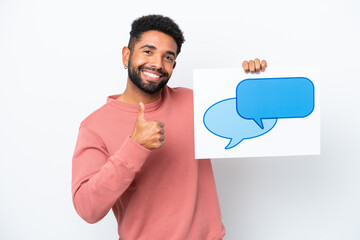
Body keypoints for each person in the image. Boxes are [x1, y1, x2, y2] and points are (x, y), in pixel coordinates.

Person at [71, 14, 266, 240]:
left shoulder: (198, 103)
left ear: (174, 65)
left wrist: (255, 83)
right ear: (127, 55)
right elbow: (87, 209)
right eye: (147, 51)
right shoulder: (94, 127)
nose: (156, 64)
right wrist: (134, 147)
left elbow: (249, 116)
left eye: (167, 57)